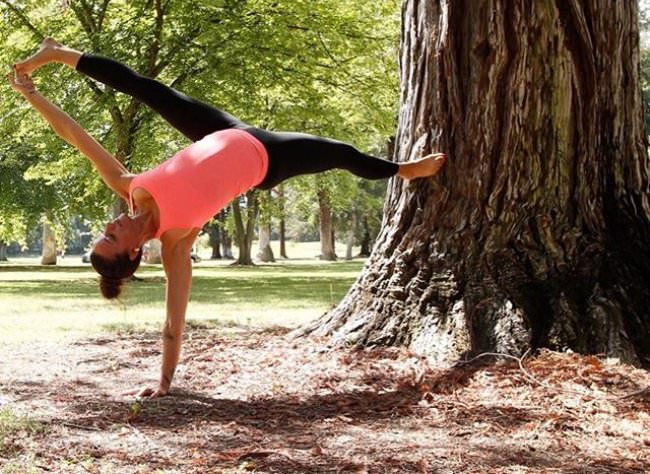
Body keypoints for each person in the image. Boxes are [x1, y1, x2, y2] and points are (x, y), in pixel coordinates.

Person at [8, 38, 446, 397]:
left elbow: (72, 134)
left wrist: (32, 95)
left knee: (147, 89)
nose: (110, 226)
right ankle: (403, 171)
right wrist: (163, 382)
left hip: (223, 131)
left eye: (103, 232)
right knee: (341, 154)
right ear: (134, 250)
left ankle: (58, 52)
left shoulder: (128, 185)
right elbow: (172, 321)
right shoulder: (177, 242)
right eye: (111, 237)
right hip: (269, 158)